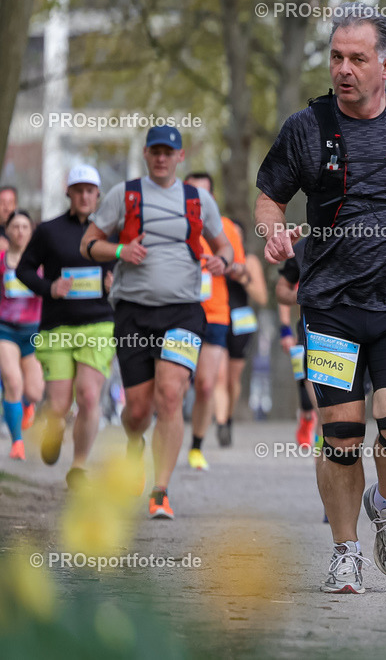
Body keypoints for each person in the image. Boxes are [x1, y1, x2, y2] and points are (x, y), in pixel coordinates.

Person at [255, 4, 386, 594]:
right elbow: (270, 195)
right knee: (342, 437)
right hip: (330, 306)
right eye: (336, 57)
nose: (343, 69)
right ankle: (344, 551)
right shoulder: (306, 127)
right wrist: (272, 230)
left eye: (357, 58)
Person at [81, 125, 234, 519]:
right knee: (137, 411)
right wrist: (120, 250)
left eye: (169, 152)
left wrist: (223, 261)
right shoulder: (124, 195)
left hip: (183, 312)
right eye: (156, 151)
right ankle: (135, 444)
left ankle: (160, 490)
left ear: (180, 156)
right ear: (146, 155)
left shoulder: (198, 199)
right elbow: (88, 244)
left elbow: (225, 247)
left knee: (169, 396)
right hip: (133, 312)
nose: (162, 158)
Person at [16, 166, 116, 487]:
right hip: (57, 327)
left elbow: (129, 269)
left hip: (99, 325)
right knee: (58, 405)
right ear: (68, 193)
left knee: (88, 396)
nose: (85, 196)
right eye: (78, 190)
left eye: (90, 190)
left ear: (98, 195)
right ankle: (54, 426)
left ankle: (79, 467)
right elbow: (23, 270)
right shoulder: (48, 230)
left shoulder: (112, 232)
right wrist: (49, 288)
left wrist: (117, 284)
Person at [182, 172, 247, 470]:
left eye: (203, 194)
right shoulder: (174, 225)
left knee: (206, 385)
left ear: (213, 198)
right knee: (176, 384)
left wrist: (225, 265)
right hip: (179, 313)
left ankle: (196, 446)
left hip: (215, 314)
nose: (198, 200)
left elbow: (241, 269)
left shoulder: (226, 228)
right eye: (192, 193)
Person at [214, 218, 267, 446]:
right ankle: (221, 424)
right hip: (217, 320)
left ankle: (228, 417)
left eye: (235, 233)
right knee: (219, 375)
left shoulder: (249, 260)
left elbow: (262, 297)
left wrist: (243, 278)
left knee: (232, 380)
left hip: (241, 323)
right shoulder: (215, 258)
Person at [0, 211, 44, 460]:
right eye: (15, 226)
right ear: (7, 230)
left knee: (34, 391)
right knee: (12, 382)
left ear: (32, 231)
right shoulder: (1, 260)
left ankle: (28, 405)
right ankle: (17, 442)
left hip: (34, 331)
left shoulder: (41, 263)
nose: (20, 231)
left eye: (25, 227)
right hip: (5, 329)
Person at [276, 237, 318, 448]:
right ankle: (307, 417)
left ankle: (321, 432)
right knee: (303, 375)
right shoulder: (302, 251)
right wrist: (285, 331)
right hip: (304, 327)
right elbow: (284, 292)